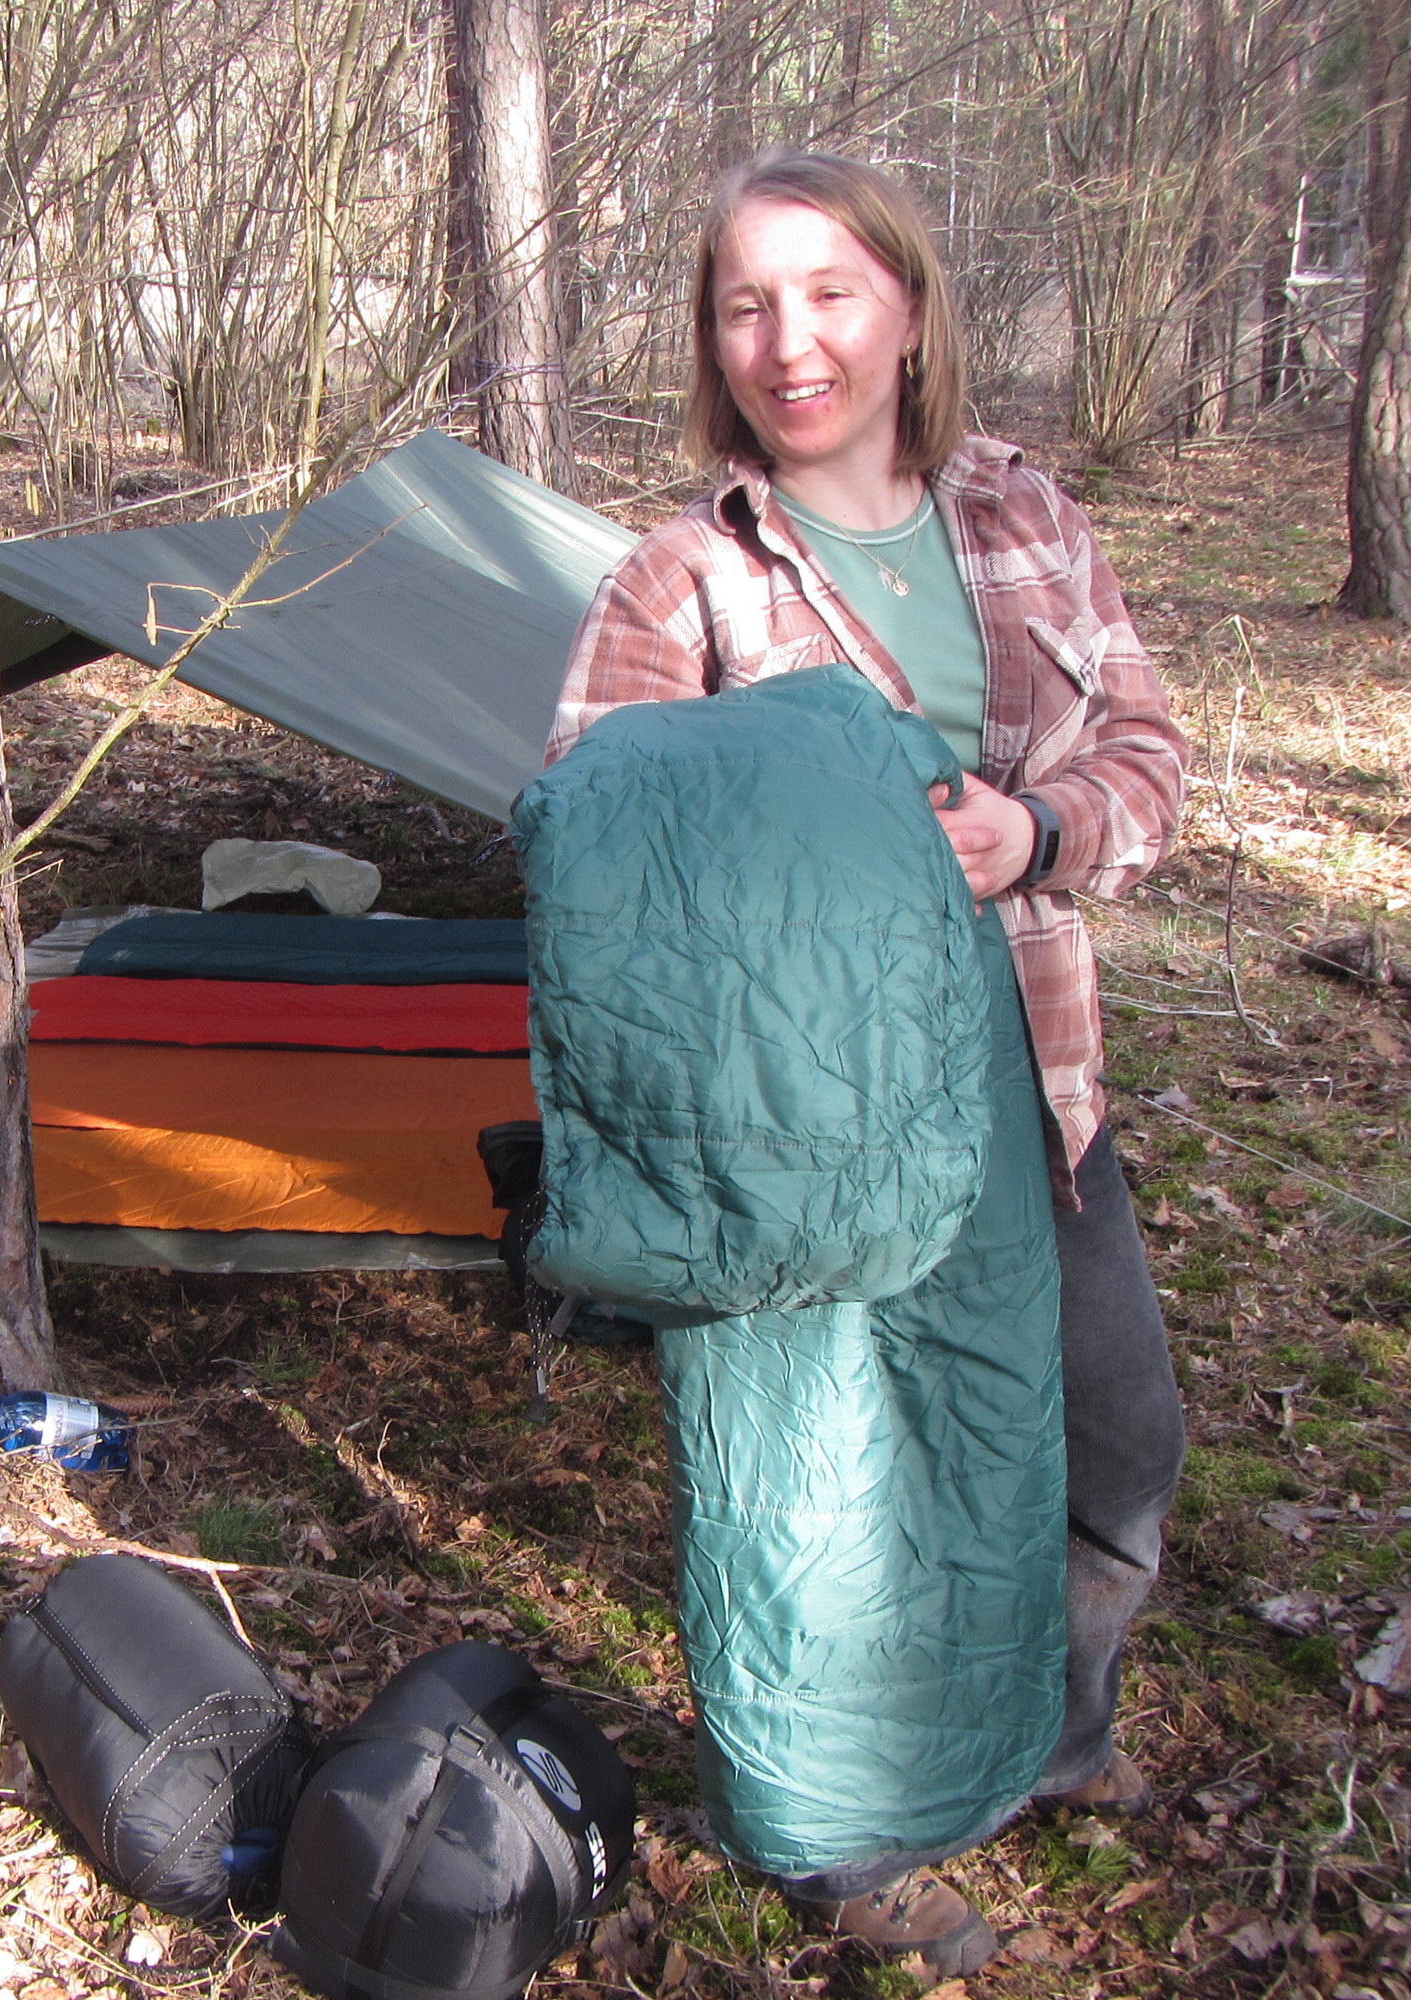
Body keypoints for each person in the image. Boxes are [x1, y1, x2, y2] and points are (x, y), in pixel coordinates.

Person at [542, 149, 1189, 1976]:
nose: (790, 340)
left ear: (906, 308)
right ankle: (846, 1836)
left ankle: (1036, 1735)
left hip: (1034, 1086)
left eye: (828, 292)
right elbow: (598, 859)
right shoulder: (682, 581)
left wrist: (1034, 832)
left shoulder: (1023, 515)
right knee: (816, 1504)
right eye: (747, 304)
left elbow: (1147, 752)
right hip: (802, 1131)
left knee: (1115, 1446)